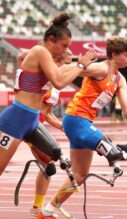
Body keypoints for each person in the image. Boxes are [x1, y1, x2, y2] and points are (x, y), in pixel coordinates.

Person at [37, 36, 127, 219]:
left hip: (85, 122)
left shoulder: (120, 80)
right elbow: (62, 70)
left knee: (80, 175)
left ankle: (48, 211)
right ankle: (117, 159)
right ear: (114, 55)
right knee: (112, 150)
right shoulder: (101, 69)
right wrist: (79, 66)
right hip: (75, 119)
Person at [0, 13, 94, 177]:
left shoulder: (44, 57)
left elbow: (23, 58)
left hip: (32, 120)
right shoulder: (40, 51)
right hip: (16, 119)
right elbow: (59, 82)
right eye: (64, 46)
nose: (66, 50)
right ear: (50, 40)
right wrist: (80, 65)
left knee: (50, 162)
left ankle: (38, 204)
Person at [26, 49, 74, 217]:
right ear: (56, 61)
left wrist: (64, 127)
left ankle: (36, 207)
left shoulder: (57, 86)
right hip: (25, 123)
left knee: (48, 167)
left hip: (35, 126)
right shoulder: (44, 77)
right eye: (67, 63)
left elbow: (47, 114)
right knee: (48, 165)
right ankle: (37, 208)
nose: (69, 68)